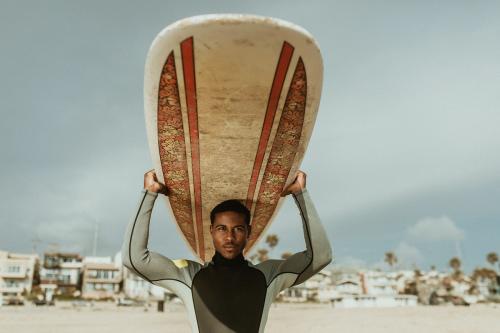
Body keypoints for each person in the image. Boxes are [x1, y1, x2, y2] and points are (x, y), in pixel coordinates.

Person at [122, 169, 332, 333]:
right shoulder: (189, 276)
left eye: (238, 229)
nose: (230, 237)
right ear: (211, 231)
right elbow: (134, 259)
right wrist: (148, 193)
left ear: (248, 232)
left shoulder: (268, 275)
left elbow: (320, 257)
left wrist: (300, 194)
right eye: (221, 229)